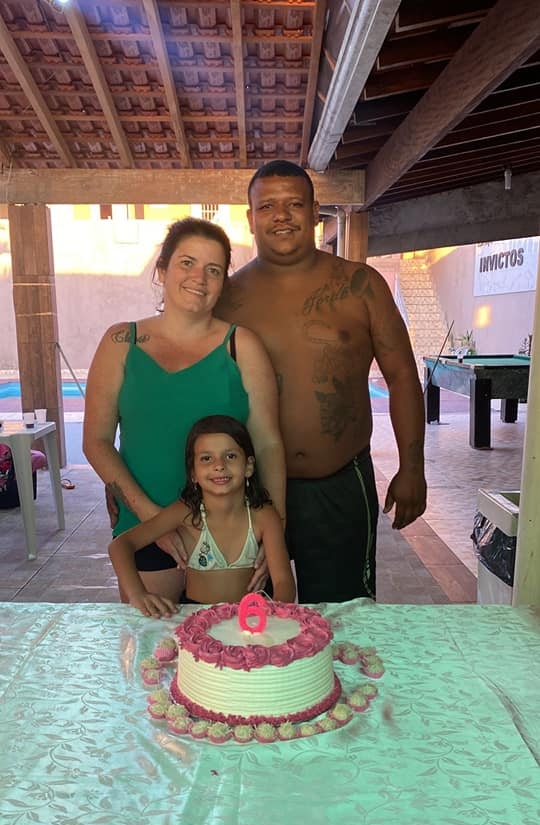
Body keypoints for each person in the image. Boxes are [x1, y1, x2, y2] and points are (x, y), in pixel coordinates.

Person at [217, 160, 427, 603]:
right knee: (251, 620)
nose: (281, 216)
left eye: (294, 204)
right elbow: (186, 388)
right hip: (247, 489)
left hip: (339, 482)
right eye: (267, 206)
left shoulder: (361, 286)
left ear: (315, 212)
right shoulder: (225, 298)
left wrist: (412, 468)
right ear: (250, 217)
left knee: (343, 617)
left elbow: (403, 377)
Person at [83, 217, 286, 604]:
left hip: (231, 536)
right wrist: (153, 520)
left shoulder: (241, 346)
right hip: (144, 527)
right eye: (187, 263)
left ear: (223, 283)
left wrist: (275, 529)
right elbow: (96, 441)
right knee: (151, 639)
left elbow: (268, 443)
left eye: (214, 269)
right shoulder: (121, 342)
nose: (200, 278)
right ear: (162, 270)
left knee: (230, 642)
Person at [109, 415, 296, 617]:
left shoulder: (264, 516)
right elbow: (120, 546)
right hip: (195, 622)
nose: (219, 465)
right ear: (193, 473)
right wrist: (137, 594)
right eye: (207, 458)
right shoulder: (186, 513)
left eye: (230, 456)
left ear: (249, 466)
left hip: (248, 620)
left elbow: (283, 581)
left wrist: (274, 612)